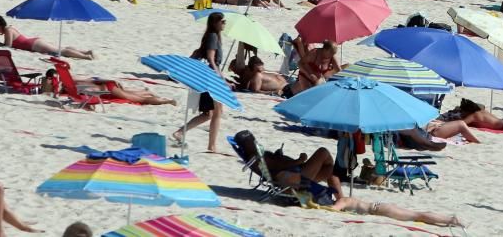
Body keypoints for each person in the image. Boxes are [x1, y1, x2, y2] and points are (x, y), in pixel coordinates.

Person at [233, 130, 344, 202]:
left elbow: (275, 165)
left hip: (294, 176)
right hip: (295, 181)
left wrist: (277, 155)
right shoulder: (256, 158)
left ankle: (341, 200)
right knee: (322, 152)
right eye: (251, 140)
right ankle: (341, 199)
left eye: (253, 138)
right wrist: (299, 160)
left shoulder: (256, 154)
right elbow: (279, 166)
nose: (254, 140)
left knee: (330, 169)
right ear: (245, 146)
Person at [173, 12, 225, 152]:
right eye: (222, 21)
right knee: (217, 112)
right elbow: (211, 59)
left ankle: (180, 132)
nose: (224, 24)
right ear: (215, 23)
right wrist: (219, 76)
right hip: (210, 77)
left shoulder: (212, 36)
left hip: (207, 75)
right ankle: (212, 146)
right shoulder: (213, 36)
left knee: (209, 114)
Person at [41, 67, 176, 105]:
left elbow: (88, 84)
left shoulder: (67, 83)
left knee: (138, 100)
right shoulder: (70, 79)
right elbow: (90, 78)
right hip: (106, 85)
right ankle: (149, 93)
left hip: (106, 88)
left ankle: (168, 101)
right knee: (133, 95)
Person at [0, 16, 94, 60]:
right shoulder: (9, 28)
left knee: (61, 51)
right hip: (34, 43)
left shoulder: (8, 31)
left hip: (34, 45)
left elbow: (8, 46)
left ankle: (85, 56)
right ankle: (85, 52)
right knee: (61, 48)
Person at [330, 196, 463, 227]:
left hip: (378, 209)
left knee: (418, 215)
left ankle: (450, 220)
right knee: (417, 214)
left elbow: (332, 210)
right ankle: (448, 219)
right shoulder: (348, 199)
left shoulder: (343, 200)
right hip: (379, 207)